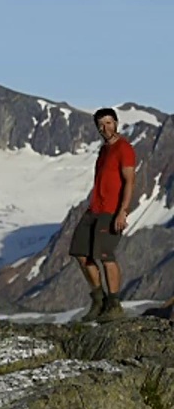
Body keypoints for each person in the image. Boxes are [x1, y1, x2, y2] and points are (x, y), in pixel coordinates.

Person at [69, 107, 136, 323]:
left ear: (116, 122)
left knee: (106, 256)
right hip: (94, 209)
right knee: (81, 254)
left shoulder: (124, 148)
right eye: (101, 124)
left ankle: (114, 305)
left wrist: (122, 212)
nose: (105, 128)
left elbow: (129, 181)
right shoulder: (104, 150)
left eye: (109, 122)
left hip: (111, 211)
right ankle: (99, 300)